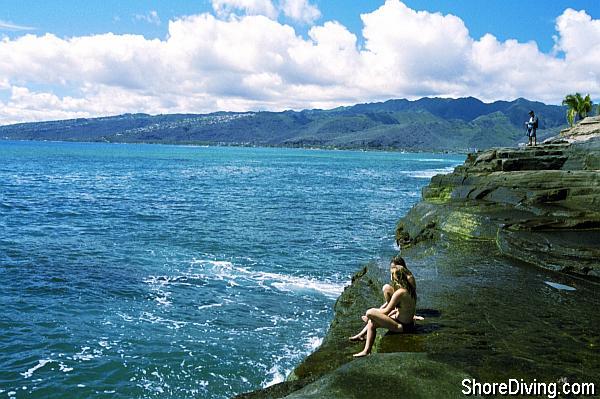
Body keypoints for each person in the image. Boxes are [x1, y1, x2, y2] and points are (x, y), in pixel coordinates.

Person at [349, 255, 422, 357]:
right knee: (372, 322)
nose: (391, 276)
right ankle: (366, 350)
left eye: (393, 274)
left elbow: (387, 311)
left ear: (398, 277)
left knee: (370, 313)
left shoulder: (400, 292)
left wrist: (374, 312)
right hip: (406, 323)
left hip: (402, 326)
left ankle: (366, 350)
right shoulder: (409, 289)